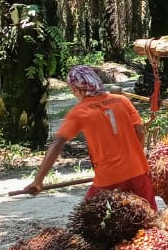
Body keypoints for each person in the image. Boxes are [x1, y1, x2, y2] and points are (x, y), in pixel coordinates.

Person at [24, 65, 155, 203]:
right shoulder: (122, 101)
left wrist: (38, 181)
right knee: (151, 222)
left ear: (76, 89)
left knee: (88, 221)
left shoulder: (79, 112)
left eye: (72, 90)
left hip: (108, 180)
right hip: (139, 173)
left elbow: (57, 144)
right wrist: (133, 161)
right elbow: (140, 132)